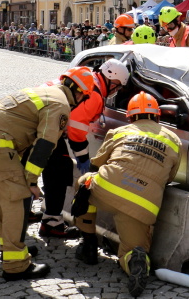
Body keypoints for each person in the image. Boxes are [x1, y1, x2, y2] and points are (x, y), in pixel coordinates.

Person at [0, 68, 93, 280]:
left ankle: (11, 249)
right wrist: (31, 181)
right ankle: (15, 264)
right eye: (84, 96)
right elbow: (44, 144)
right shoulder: (60, 105)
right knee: (17, 197)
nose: (82, 100)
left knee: (1, 197)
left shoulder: (46, 92)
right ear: (79, 92)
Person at [72, 92, 181, 297]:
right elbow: (168, 177)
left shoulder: (120, 131)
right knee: (132, 248)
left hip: (108, 189)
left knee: (84, 182)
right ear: (157, 116)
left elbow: (95, 164)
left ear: (130, 116)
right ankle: (136, 260)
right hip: (142, 203)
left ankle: (88, 243)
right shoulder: (174, 140)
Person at [39, 60, 128, 239]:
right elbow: (76, 130)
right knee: (59, 168)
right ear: (111, 79)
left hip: (41, 118)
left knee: (44, 169)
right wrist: (83, 156)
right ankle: (51, 223)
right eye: (117, 87)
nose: (116, 91)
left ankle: (42, 216)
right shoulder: (94, 94)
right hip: (45, 125)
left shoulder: (90, 79)